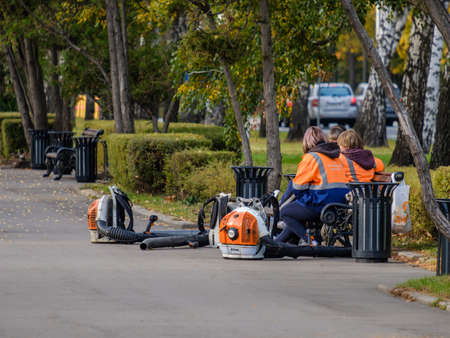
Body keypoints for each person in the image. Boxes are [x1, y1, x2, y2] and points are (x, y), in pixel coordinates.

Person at [277, 127, 349, 244]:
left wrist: (307, 199)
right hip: (341, 206)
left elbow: (297, 188)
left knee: (285, 212)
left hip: (322, 204)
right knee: (296, 212)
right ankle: (289, 243)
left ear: (307, 142)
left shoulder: (312, 157)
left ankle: (311, 241)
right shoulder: (336, 156)